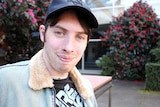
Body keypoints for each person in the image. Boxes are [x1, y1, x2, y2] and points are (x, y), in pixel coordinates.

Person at [0, 0, 98, 107]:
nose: (69, 47)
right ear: (43, 34)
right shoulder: (5, 81)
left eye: (79, 37)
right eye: (59, 33)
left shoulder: (87, 89)